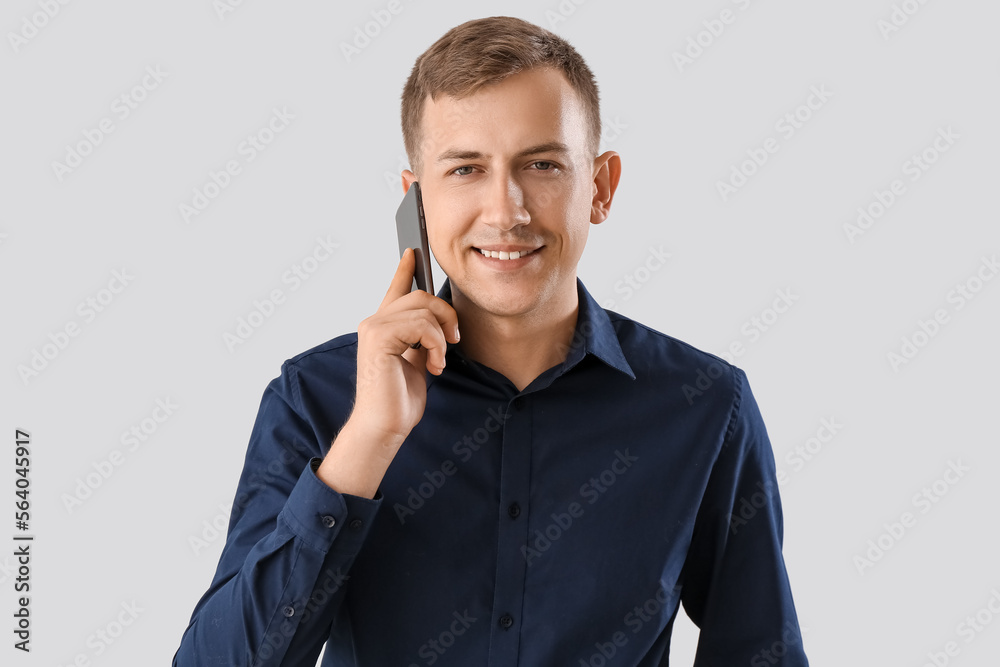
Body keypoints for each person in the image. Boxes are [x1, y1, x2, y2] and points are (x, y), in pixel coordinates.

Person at [174, 15, 809, 666]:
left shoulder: (704, 406)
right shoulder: (315, 398)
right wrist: (366, 442)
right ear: (415, 201)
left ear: (601, 185)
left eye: (541, 163)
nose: (506, 211)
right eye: (466, 169)